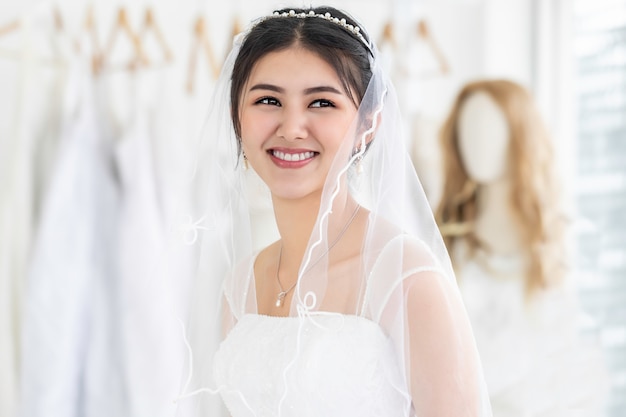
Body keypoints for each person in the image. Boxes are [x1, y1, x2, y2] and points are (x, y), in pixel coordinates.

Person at [173, 6, 492, 417]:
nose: (291, 127)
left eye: (321, 103)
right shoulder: (241, 285)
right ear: (237, 116)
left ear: (369, 124)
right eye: (268, 100)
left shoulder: (407, 279)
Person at [435, 79, 607, 416]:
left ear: (518, 135)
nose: (476, 144)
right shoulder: (442, 238)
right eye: (467, 129)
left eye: (490, 130)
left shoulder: (556, 238)